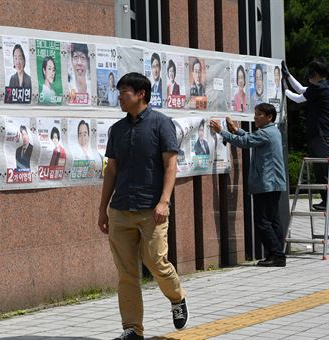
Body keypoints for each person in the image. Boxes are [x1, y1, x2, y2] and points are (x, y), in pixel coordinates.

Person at [98, 72, 188, 340]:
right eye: (119, 92)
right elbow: (111, 171)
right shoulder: (117, 130)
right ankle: (132, 329)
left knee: (157, 262)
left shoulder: (161, 124)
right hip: (120, 209)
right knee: (126, 273)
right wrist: (102, 209)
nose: (119, 98)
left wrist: (164, 201)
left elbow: (171, 165)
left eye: (124, 92)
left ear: (141, 94)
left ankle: (177, 297)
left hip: (152, 210)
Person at [210, 104, 287, 266]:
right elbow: (250, 138)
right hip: (273, 184)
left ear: (269, 117)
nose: (255, 117)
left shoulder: (266, 133)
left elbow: (245, 142)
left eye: (259, 114)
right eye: (255, 114)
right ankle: (277, 254)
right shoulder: (273, 131)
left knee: (262, 221)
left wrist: (221, 132)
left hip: (267, 184)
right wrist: (236, 130)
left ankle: (277, 255)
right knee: (273, 220)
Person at [283, 58, 329, 211]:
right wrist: (288, 76)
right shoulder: (322, 87)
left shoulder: (321, 88)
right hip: (322, 135)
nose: (309, 76)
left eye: (311, 73)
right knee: (323, 169)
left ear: (316, 74)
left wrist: (284, 88)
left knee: (326, 169)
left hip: (323, 135)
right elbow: (301, 89)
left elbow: (299, 97)